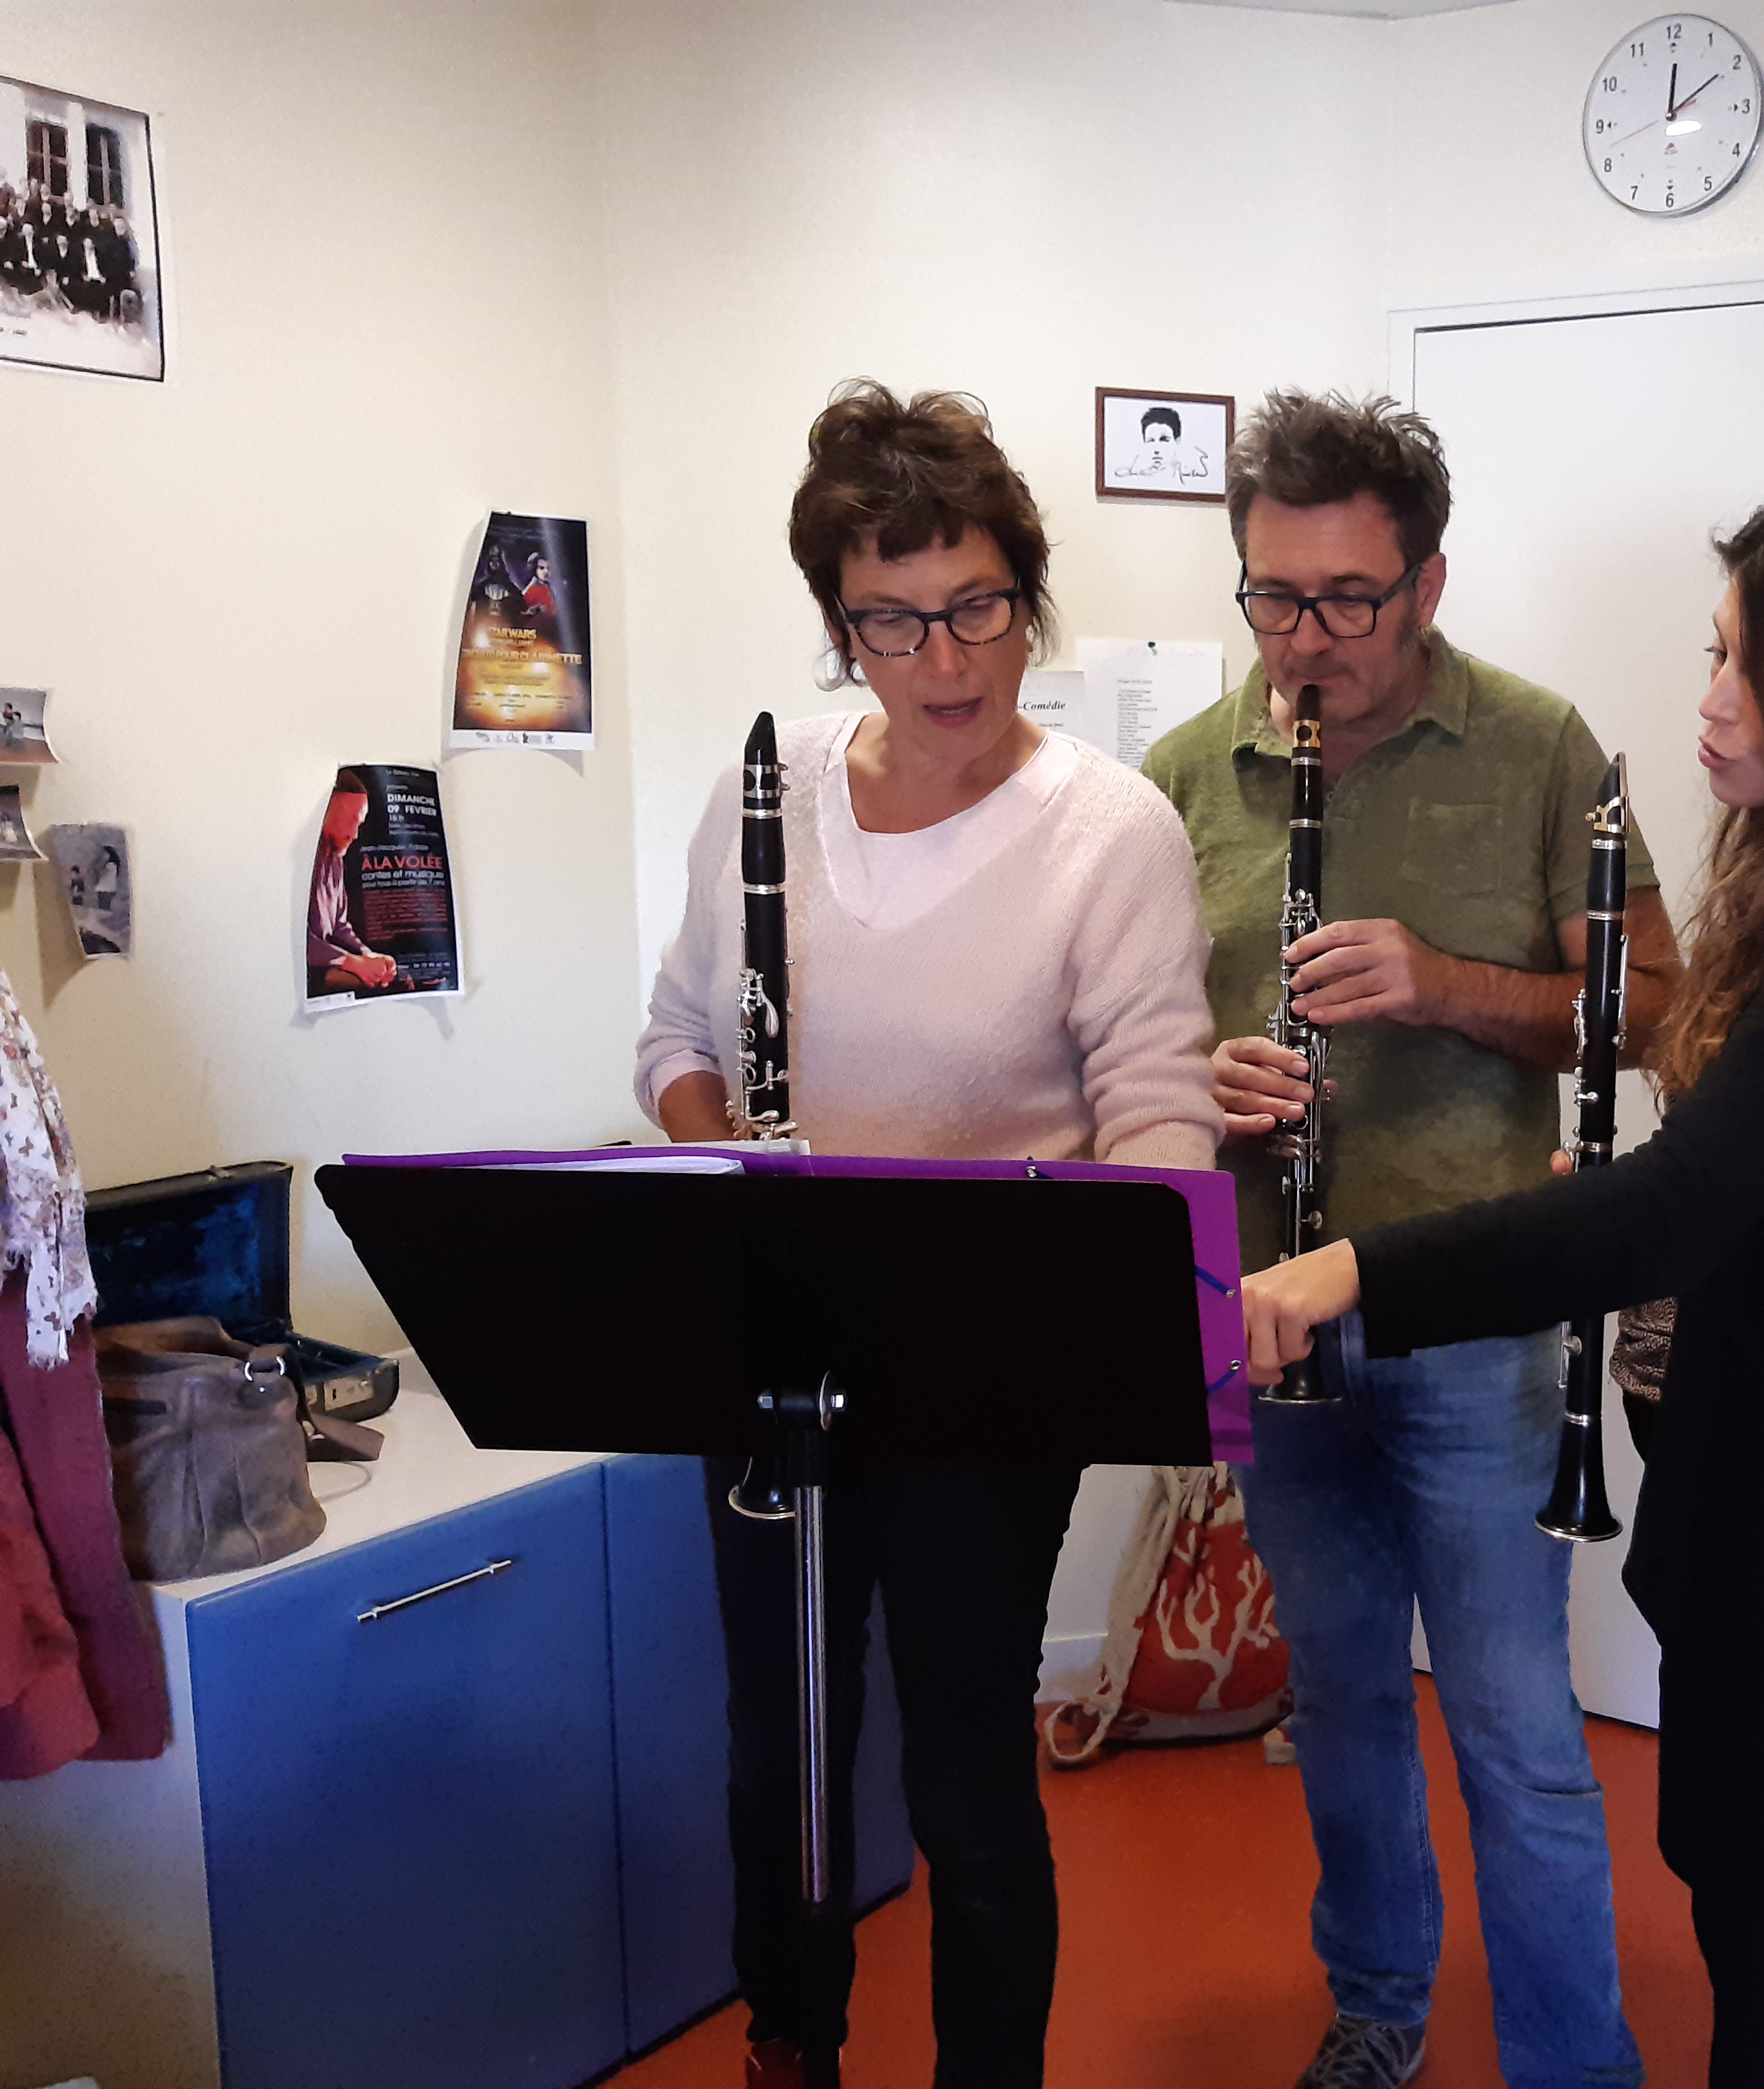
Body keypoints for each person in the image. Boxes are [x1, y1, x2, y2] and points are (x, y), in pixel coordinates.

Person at [1240, 471, 1764, 2089]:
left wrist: (1353, 1268)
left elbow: (1677, 1211)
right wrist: (1659, 1198)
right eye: (1718, 653)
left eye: (1757, 670)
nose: (1712, 701)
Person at [635, 379, 1218, 2089]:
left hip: (987, 1373)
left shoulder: (1112, 831)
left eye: (976, 607)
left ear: (1027, 595)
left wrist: (1144, 1273)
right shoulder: (764, 790)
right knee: (778, 1755)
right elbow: (676, 1036)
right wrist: (729, 1163)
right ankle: (791, 2041)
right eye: (890, 621)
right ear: (842, 627)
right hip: (772, 1351)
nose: (944, 660)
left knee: (965, 1779)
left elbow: (1158, 1109)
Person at [1144, 390, 1679, 2089]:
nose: (1306, 640)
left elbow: (1657, 1005)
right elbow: (1128, 1046)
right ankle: (1378, 2006)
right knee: (1343, 1702)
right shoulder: (1182, 776)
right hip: (1273, 1315)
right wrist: (1198, 1078)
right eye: (1273, 596)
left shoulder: (1540, 746)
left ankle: (1571, 2063)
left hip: (1480, 1324)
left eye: (1349, 600)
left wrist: (1445, 985)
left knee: (1516, 1726)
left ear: (1429, 583)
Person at [306, 770, 397, 996]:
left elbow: (339, 925)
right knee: (379, 987)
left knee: (396, 978)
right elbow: (297, 940)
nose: (355, 835)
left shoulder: (336, 861)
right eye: (351, 821)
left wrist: (367, 955)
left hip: (331, 964)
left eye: (359, 824)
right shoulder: (302, 863)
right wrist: (353, 963)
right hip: (305, 973)